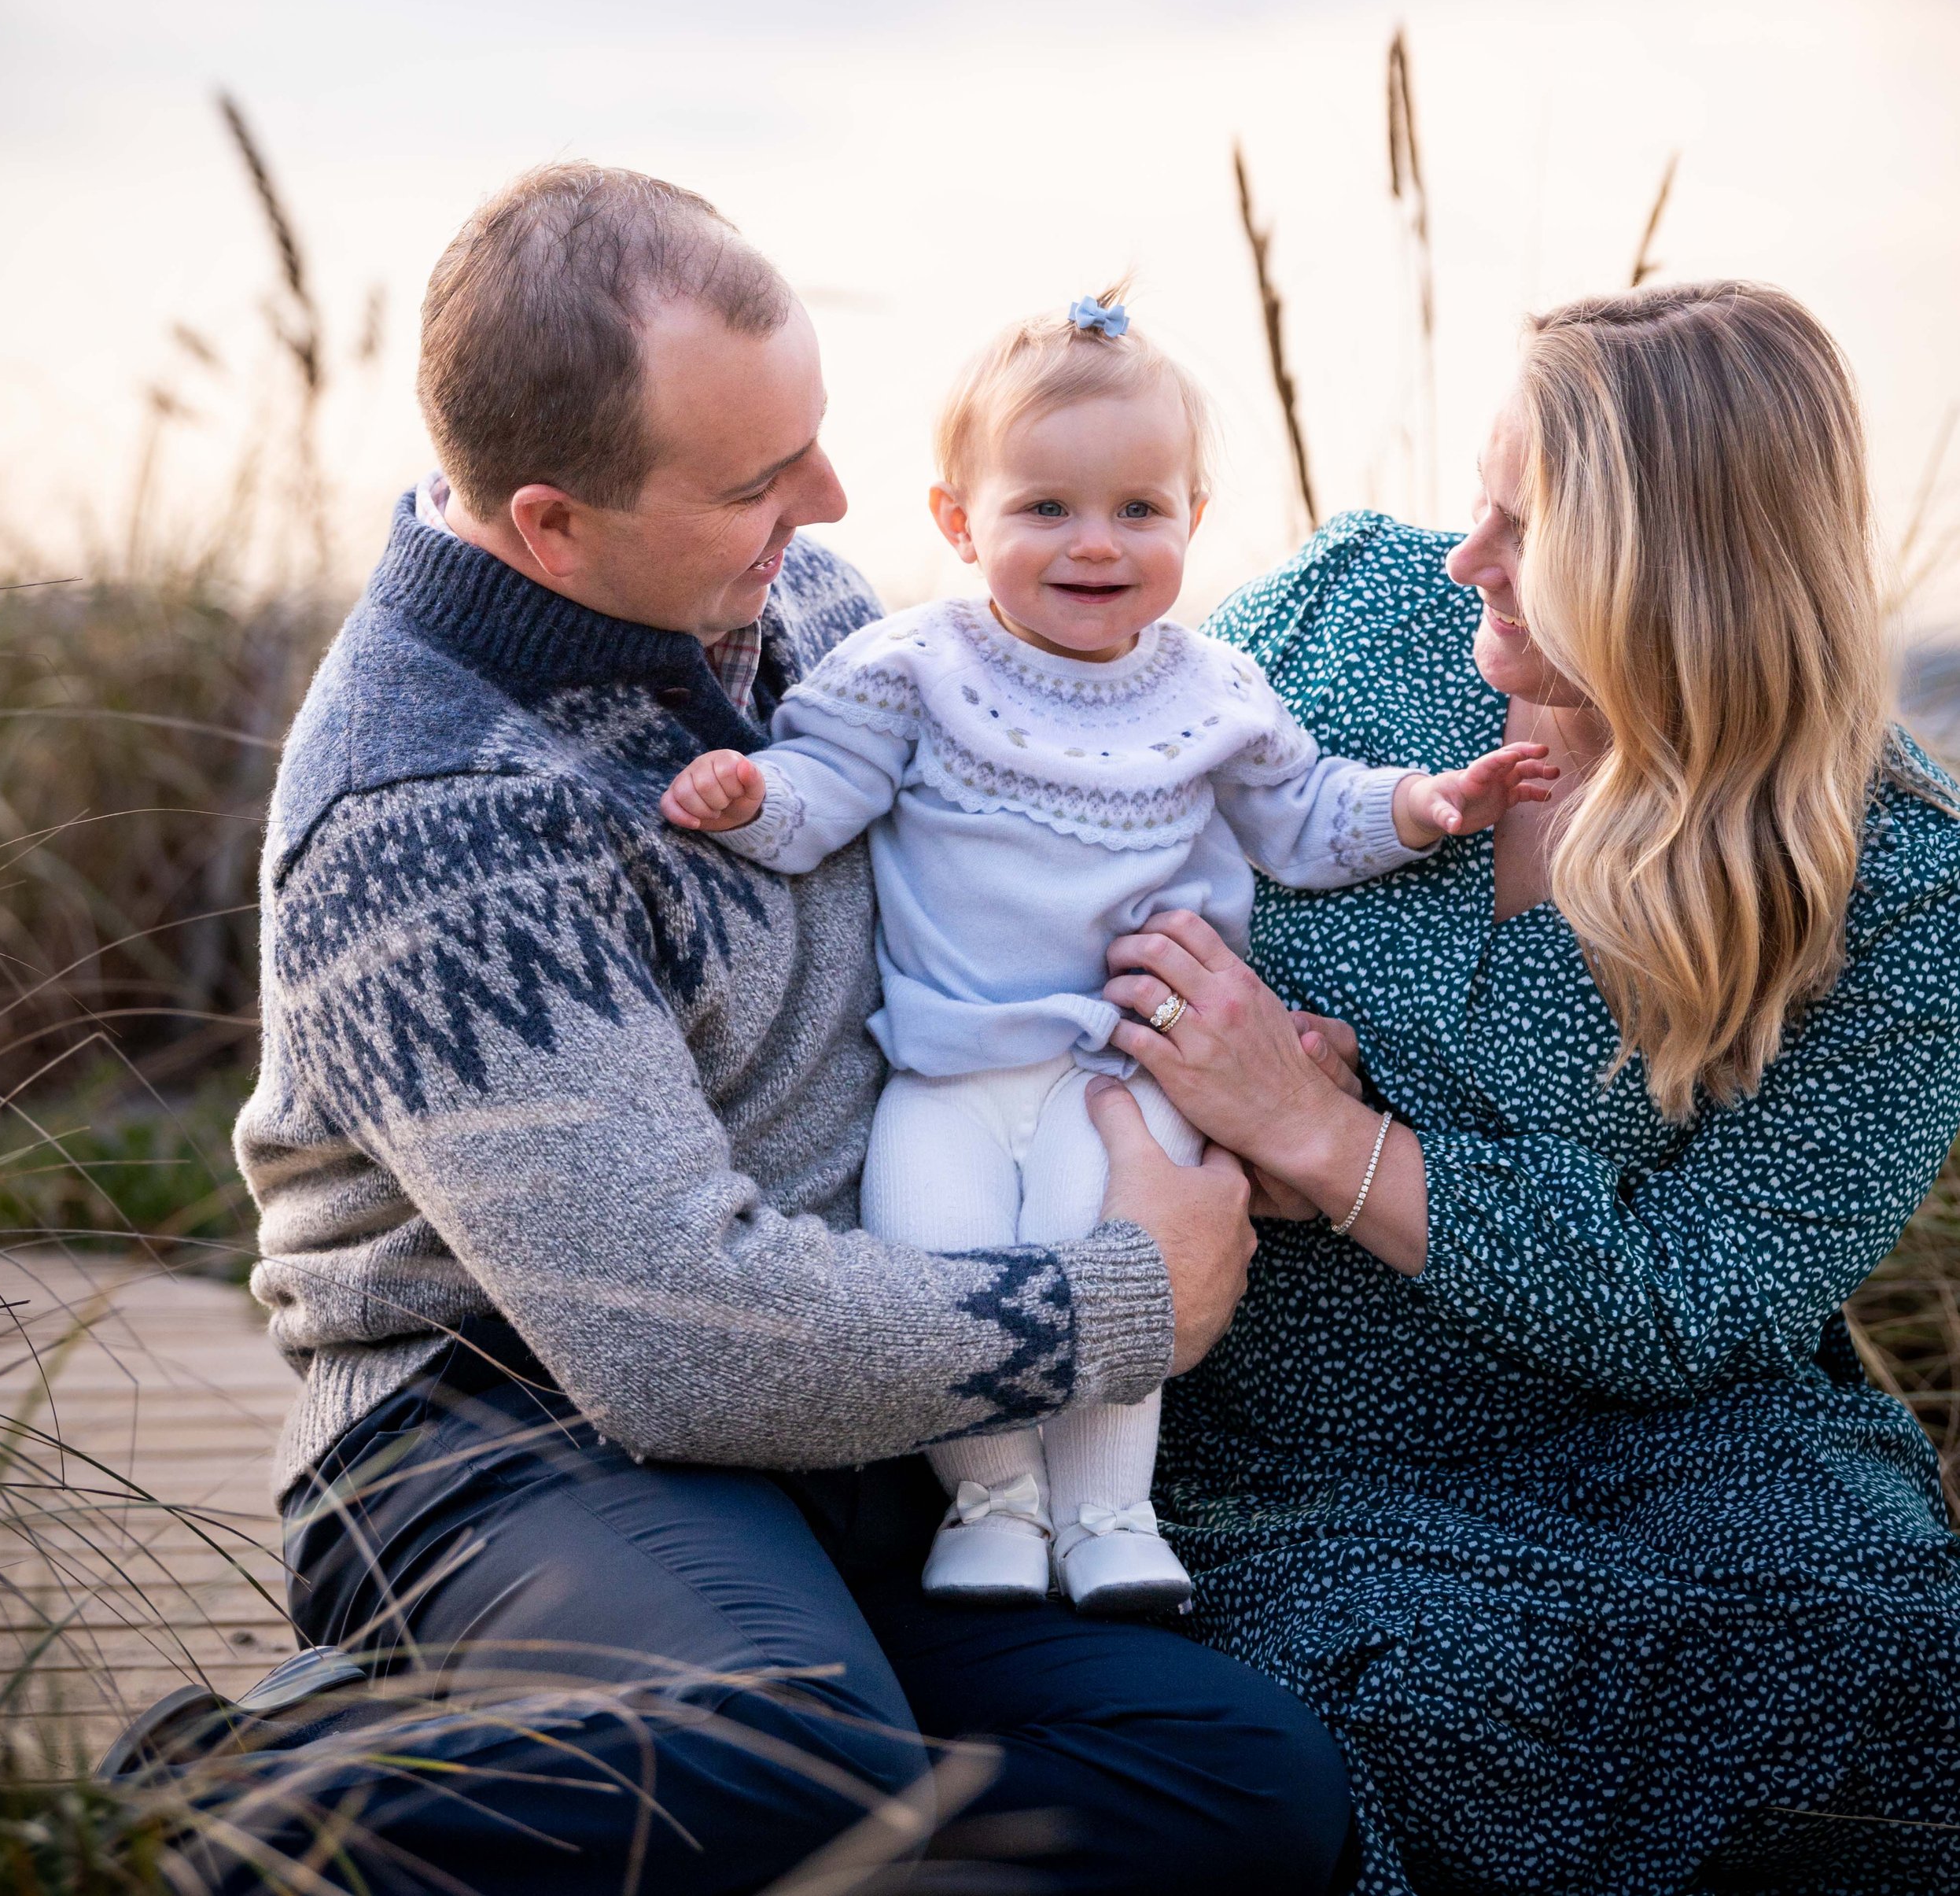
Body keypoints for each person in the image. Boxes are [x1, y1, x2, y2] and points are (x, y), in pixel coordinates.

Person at [232, 164, 1358, 1896]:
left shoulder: (799, 606)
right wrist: (1120, 1297)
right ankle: (247, 1810)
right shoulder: (428, 809)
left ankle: (642, 1792)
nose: (829, 503)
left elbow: (1064, 840)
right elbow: (667, 1333)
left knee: (1243, 1786)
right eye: (761, 480)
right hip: (506, 1434)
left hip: (842, 1421)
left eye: (813, 441)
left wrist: (1234, 1076)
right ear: (550, 524)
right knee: (772, 1751)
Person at [1092, 282, 1960, 1896]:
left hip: (1657, 1455)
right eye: (1474, 496)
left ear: (1678, 575)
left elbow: (1695, 1294)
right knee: (1437, 1690)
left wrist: (1326, 1138)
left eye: (1522, 526)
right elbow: (1073, 838)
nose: (1458, 554)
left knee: (1886, 1641)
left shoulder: (1896, 881)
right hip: (1262, 1447)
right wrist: (1200, 1091)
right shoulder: (1349, 614)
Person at [663, 290, 1550, 1618]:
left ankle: (1111, 1515)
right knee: (943, 1261)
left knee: (1118, 1257)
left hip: (1120, 1069)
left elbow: (1303, 817)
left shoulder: (1213, 692)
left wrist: (1422, 805)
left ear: (1193, 520)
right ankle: (993, 1506)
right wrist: (753, 802)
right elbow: (823, 790)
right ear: (959, 521)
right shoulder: (914, 665)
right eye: (1046, 509)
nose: (1097, 544)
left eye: (1141, 509)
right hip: (948, 1069)